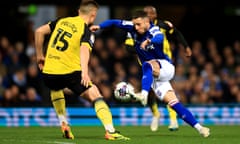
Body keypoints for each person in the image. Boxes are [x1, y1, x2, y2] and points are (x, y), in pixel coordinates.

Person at [90, 10, 210, 138]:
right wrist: (100, 26)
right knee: (174, 103)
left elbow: (160, 38)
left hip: (165, 66)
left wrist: (148, 41)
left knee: (147, 64)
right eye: (134, 24)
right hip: (155, 76)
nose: (136, 27)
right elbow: (114, 22)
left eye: (139, 24)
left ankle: (144, 94)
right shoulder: (132, 26)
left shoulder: (154, 30)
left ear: (147, 22)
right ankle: (200, 128)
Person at [34, 0, 129, 140]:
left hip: (48, 72)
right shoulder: (86, 30)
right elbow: (84, 50)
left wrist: (40, 56)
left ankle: (63, 123)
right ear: (93, 15)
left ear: (79, 11)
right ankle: (111, 131)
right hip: (70, 73)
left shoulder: (61, 21)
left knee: (56, 88)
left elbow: (39, 31)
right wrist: (84, 72)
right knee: (95, 94)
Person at [125, 5, 192, 132]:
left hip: (164, 62)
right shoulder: (135, 29)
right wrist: (141, 48)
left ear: (155, 15)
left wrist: (186, 47)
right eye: (145, 13)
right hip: (147, 62)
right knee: (150, 91)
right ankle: (156, 114)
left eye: (150, 13)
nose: (148, 15)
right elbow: (127, 47)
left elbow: (176, 33)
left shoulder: (163, 26)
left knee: (167, 89)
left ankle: (173, 119)